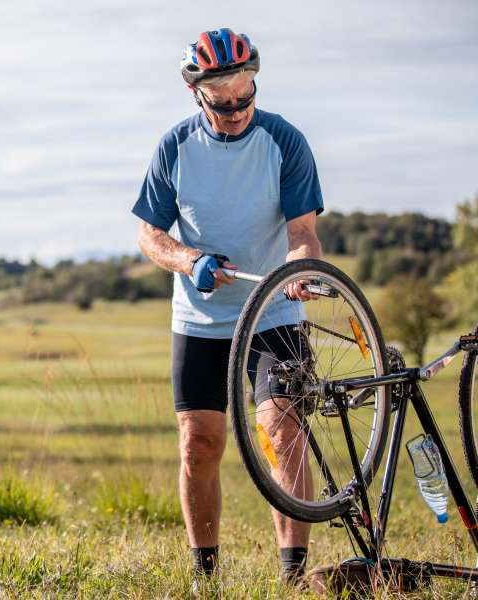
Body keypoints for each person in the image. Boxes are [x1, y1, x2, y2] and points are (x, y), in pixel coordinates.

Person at [131, 28, 324, 585]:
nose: (237, 110)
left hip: (273, 312)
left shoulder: (284, 141)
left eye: (246, 97)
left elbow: (304, 233)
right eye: (223, 102)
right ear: (198, 95)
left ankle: (292, 574)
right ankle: (205, 575)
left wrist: (299, 268)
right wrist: (189, 260)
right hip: (200, 315)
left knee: (281, 431)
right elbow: (149, 235)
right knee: (200, 442)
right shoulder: (174, 147)